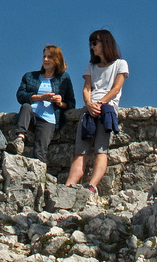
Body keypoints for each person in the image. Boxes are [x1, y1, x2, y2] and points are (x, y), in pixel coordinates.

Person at [65, 30, 128, 193]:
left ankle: (92, 185)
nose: (92, 46)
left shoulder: (120, 64)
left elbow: (116, 88)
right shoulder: (91, 67)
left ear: (105, 43)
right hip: (91, 109)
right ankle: (68, 186)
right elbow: (87, 88)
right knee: (81, 150)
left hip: (106, 109)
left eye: (95, 42)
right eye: (91, 43)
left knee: (101, 149)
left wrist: (100, 103)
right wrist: (89, 103)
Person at [13, 46, 75, 162]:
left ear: (57, 60)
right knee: (26, 107)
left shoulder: (64, 78)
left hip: (49, 119)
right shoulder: (30, 76)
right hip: (32, 115)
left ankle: (38, 177)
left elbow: (71, 103)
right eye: (44, 56)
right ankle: (20, 139)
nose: (45, 59)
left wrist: (60, 102)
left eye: (49, 57)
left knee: (40, 151)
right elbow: (20, 96)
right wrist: (41, 97)